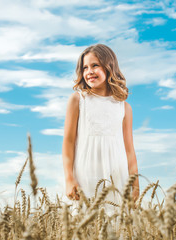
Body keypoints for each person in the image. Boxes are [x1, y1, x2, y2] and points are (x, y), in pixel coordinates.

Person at [62, 44, 139, 204]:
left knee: (117, 225)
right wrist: (69, 178)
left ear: (109, 66)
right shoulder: (78, 100)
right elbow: (68, 142)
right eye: (85, 68)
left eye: (95, 65)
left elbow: (129, 149)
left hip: (118, 178)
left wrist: (135, 184)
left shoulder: (124, 107)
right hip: (85, 177)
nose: (89, 71)